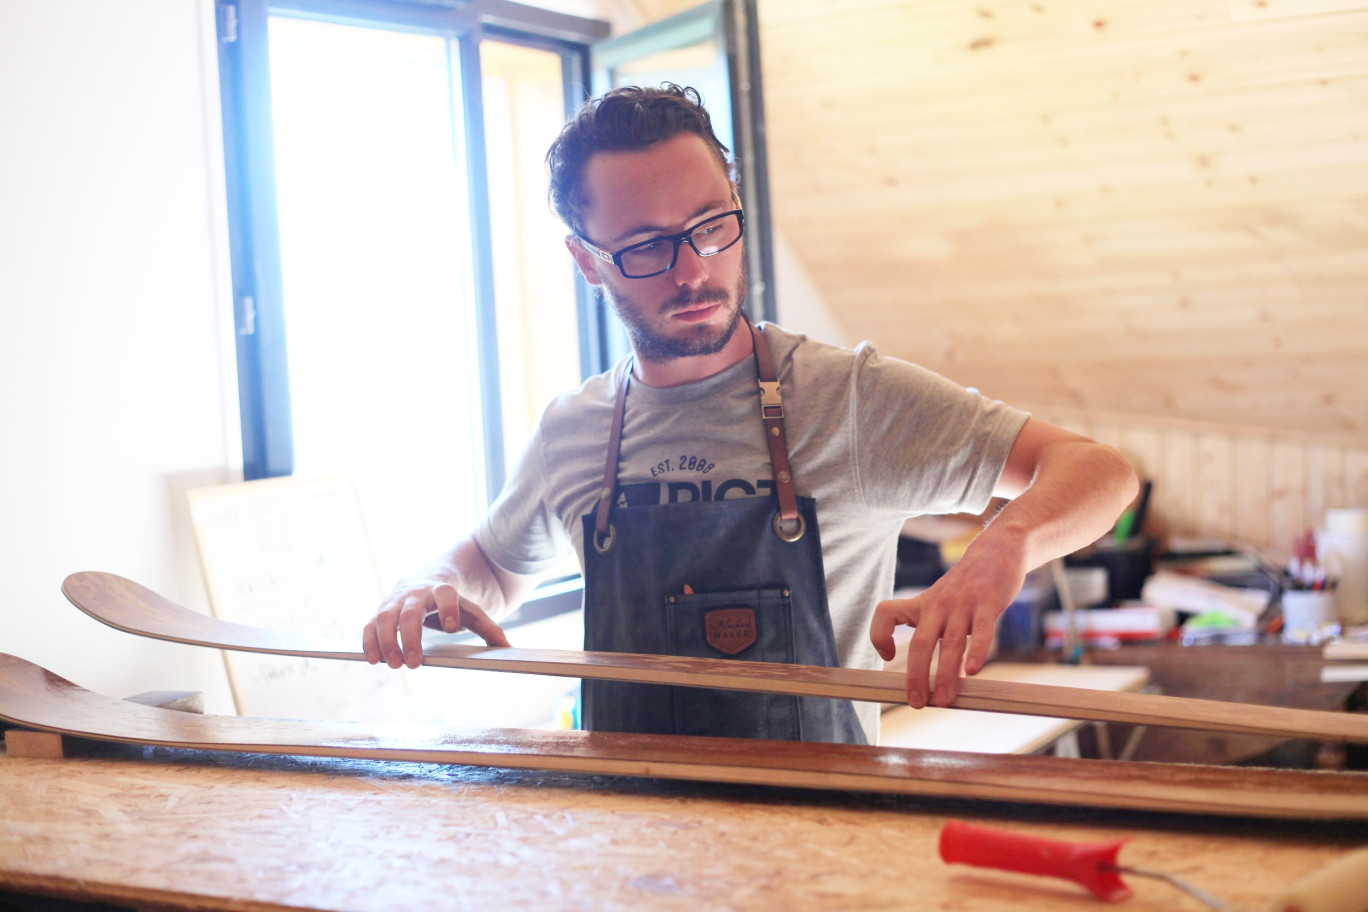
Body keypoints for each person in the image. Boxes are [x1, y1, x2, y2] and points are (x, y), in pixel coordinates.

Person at [362, 84, 1138, 745]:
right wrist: (426, 584)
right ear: (587, 260)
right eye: (645, 247)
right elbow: (494, 567)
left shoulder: (849, 401)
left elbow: (1099, 472)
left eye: (711, 225)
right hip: (626, 841)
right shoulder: (575, 429)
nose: (695, 269)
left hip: (817, 836)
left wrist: (1001, 550)